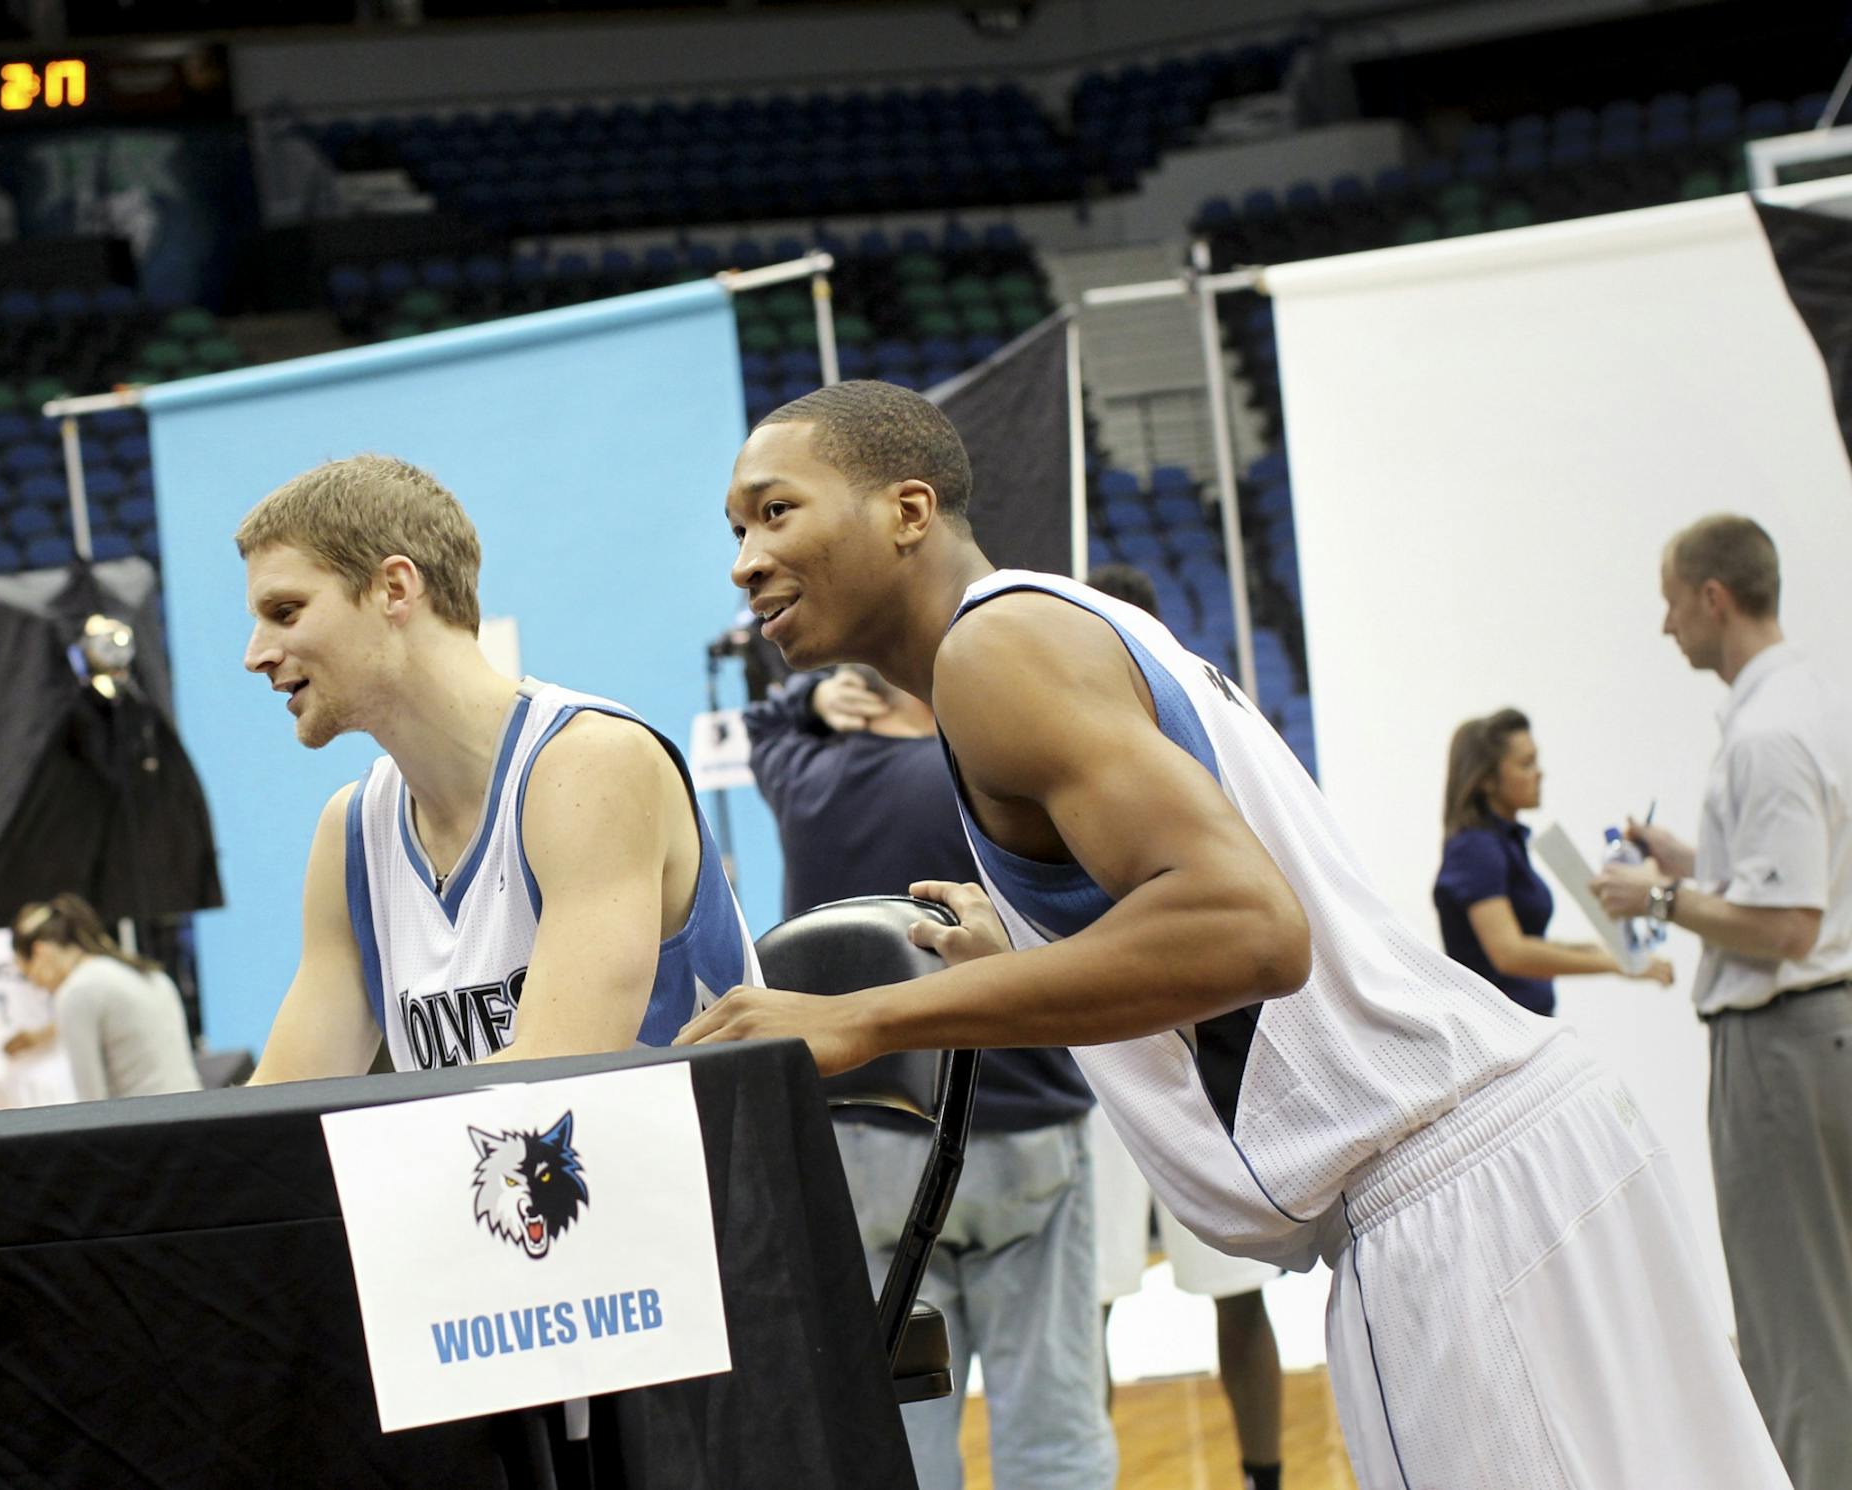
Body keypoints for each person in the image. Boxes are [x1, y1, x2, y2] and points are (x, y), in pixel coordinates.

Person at [684, 381, 1790, 1490]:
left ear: (908, 509)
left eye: (775, 511)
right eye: (739, 528)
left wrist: (860, 1016)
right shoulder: (1053, 621)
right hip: (1517, 1145)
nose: (745, 560)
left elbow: (1253, 931)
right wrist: (1026, 956)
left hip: (1444, 1191)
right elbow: (1210, 930)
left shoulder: (993, 655)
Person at [239, 455, 755, 1079]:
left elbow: (555, 1089)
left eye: (286, 611)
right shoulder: (352, 831)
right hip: (492, 1175)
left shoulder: (590, 765)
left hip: (691, 1172)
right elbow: (283, 1110)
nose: (256, 655)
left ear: (394, 589)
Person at [746, 662, 1113, 1490]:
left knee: (902, 1426)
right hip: (1018, 1126)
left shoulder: (805, 779)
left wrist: (807, 699)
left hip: (868, 1148)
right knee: (1051, 1419)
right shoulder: (980, 776)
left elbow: (765, 725)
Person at [1591, 514, 1852, 1489]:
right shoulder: (1811, 705)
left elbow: (1785, 925)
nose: (1665, 626)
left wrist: (1654, 898)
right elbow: (1779, 883)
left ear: (1714, 598)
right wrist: (1691, 868)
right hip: (1816, 1037)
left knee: (1798, 1330)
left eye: (1670, 601)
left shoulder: (1769, 734)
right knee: (1824, 1311)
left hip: (1781, 1048)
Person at [1085, 561, 1285, 1490]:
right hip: (1101, 1061)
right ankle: (1086, 1471)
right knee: (1088, 1304)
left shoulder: (1210, 731)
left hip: (1209, 1056)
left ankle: (1265, 1475)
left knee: (1235, 1292)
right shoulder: (1050, 737)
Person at [1437, 707, 1672, 1013]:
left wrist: (1605, 952)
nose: (1540, 773)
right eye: (1526, 764)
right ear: (1487, 780)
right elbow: (1510, 953)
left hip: (1524, 1026)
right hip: (1498, 1033)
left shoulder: (1506, 843)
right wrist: (1615, 964)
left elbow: (1529, 941)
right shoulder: (1475, 848)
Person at [4, 893, 203, 1101]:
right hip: (191, 1112)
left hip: (144, 1125)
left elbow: (92, 1102)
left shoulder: (76, 992)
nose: (37, 986)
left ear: (40, 951)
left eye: (28, 975)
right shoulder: (147, 973)